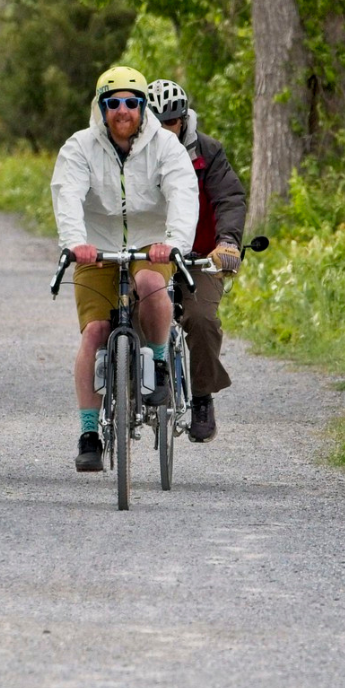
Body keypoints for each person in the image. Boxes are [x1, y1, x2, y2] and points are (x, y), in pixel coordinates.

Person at [50, 66, 199, 472]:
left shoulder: (165, 145)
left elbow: (183, 193)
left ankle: (159, 360)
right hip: (94, 246)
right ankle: (88, 433)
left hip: (152, 243)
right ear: (101, 108)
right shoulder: (79, 146)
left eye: (132, 102)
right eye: (113, 103)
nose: (123, 110)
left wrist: (175, 245)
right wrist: (74, 243)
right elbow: (68, 193)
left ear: (142, 107)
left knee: (151, 284)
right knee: (96, 332)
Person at [146, 79, 247, 442]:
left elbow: (230, 198)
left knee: (202, 319)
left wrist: (227, 243)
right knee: (127, 308)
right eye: (158, 124)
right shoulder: (135, 152)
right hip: (149, 253)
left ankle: (202, 397)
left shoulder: (209, 152)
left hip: (199, 256)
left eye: (171, 123)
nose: (166, 132)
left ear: (183, 119)